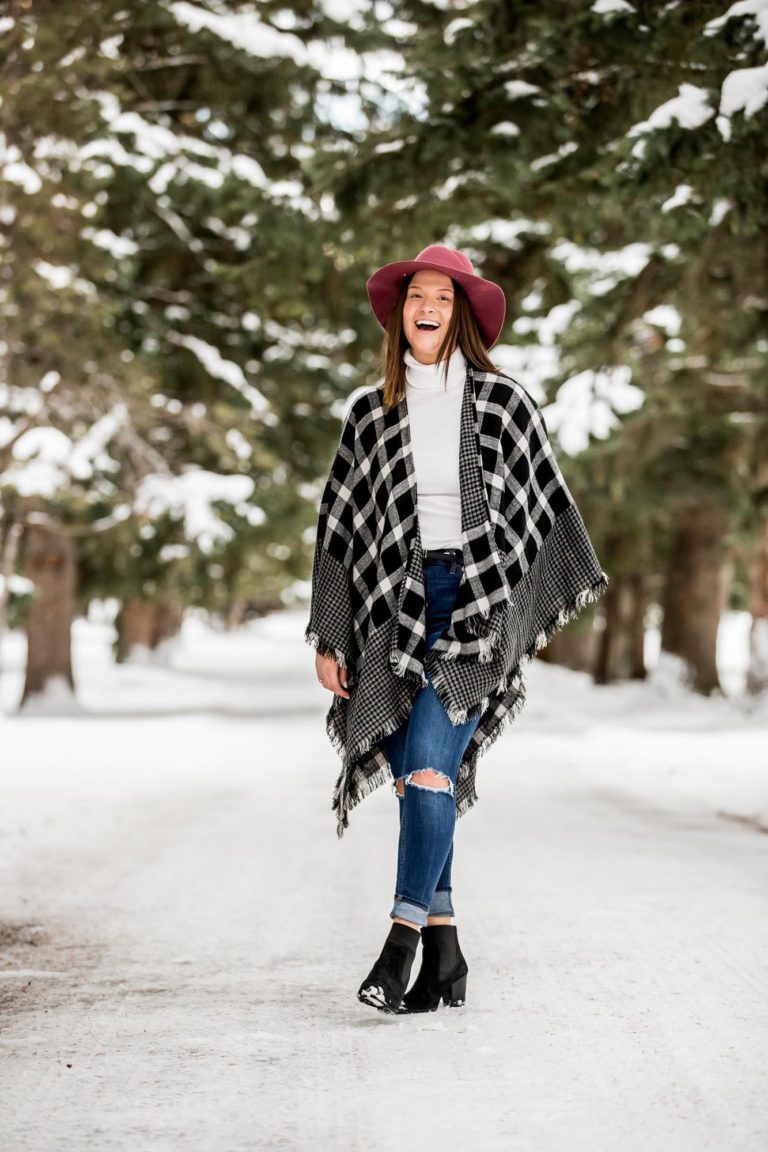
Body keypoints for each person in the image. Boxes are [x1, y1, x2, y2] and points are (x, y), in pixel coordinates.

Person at [305, 245, 608, 1015]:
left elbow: (544, 509)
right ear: (401, 313)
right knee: (417, 779)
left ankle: (399, 946)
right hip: (393, 616)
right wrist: (332, 636)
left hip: (478, 609)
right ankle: (448, 952)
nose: (428, 306)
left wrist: (516, 607)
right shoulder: (369, 409)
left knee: (434, 771)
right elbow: (339, 529)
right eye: (416, 296)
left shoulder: (504, 403)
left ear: (462, 313)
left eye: (443, 295)